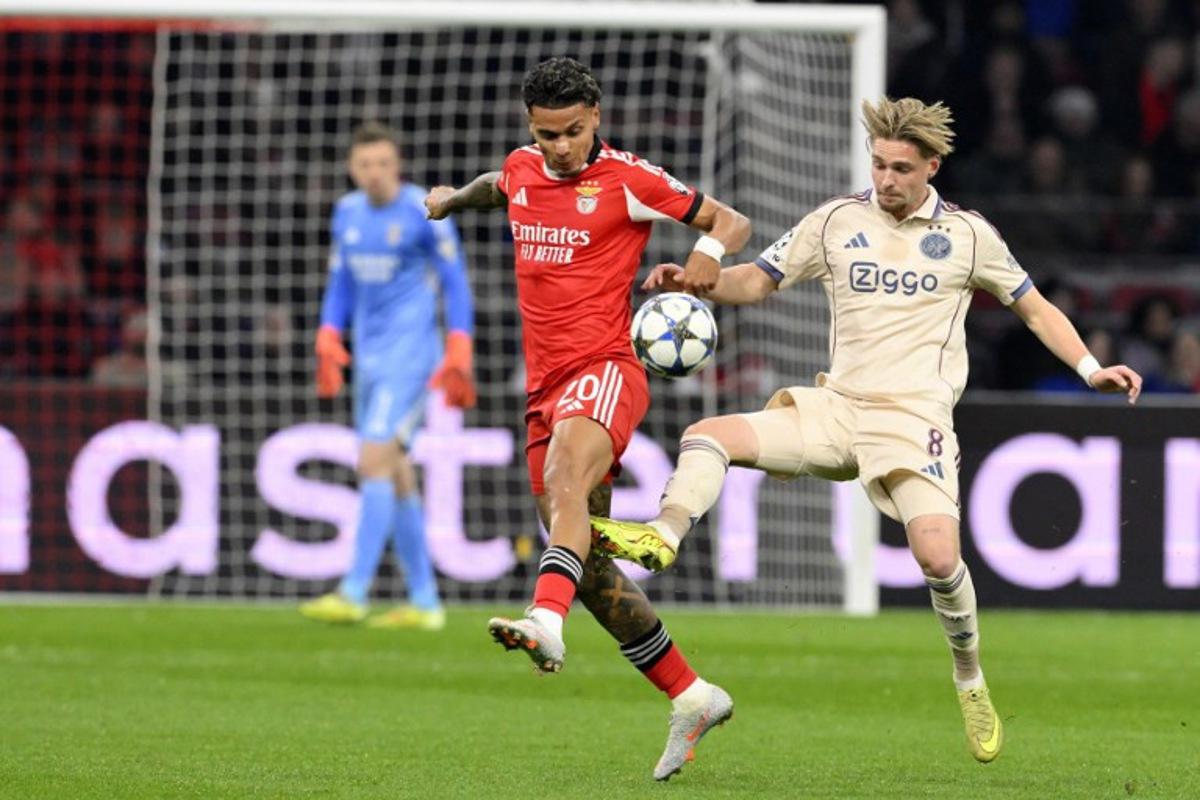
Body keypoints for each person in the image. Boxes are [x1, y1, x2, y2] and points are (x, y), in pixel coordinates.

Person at [589, 96, 1143, 765]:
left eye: (901, 169)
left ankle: (969, 678)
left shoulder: (970, 236)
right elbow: (760, 280)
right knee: (709, 433)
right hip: (838, 407)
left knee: (938, 558)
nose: (885, 180)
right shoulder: (835, 220)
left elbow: (1034, 308)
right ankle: (665, 534)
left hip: (913, 419)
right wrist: (699, 283)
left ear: (931, 167)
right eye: (878, 165)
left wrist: (1089, 368)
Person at [425, 57, 750, 780]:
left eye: (573, 132)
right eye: (548, 136)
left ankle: (544, 620)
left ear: (595, 117)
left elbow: (730, 219)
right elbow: (499, 186)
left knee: (565, 478)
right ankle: (692, 694)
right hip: (542, 388)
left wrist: (704, 249)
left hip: (606, 369)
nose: (561, 148)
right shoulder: (523, 167)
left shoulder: (629, 180)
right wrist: (450, 201)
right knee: (591, 567)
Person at [300, 122, 476, 631]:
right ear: (352, 169)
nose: (374, 174)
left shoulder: (425, 210)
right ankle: (424, 602)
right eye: (364, 165)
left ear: (396, 166)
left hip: (413, 357)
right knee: (395, 473)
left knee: (373, 458)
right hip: (369, 359)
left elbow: (455, 281)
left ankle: (354, 590)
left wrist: (459, 343)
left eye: (383, 163)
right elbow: (340, 281)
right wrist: (329, 332)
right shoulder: (347, 212)